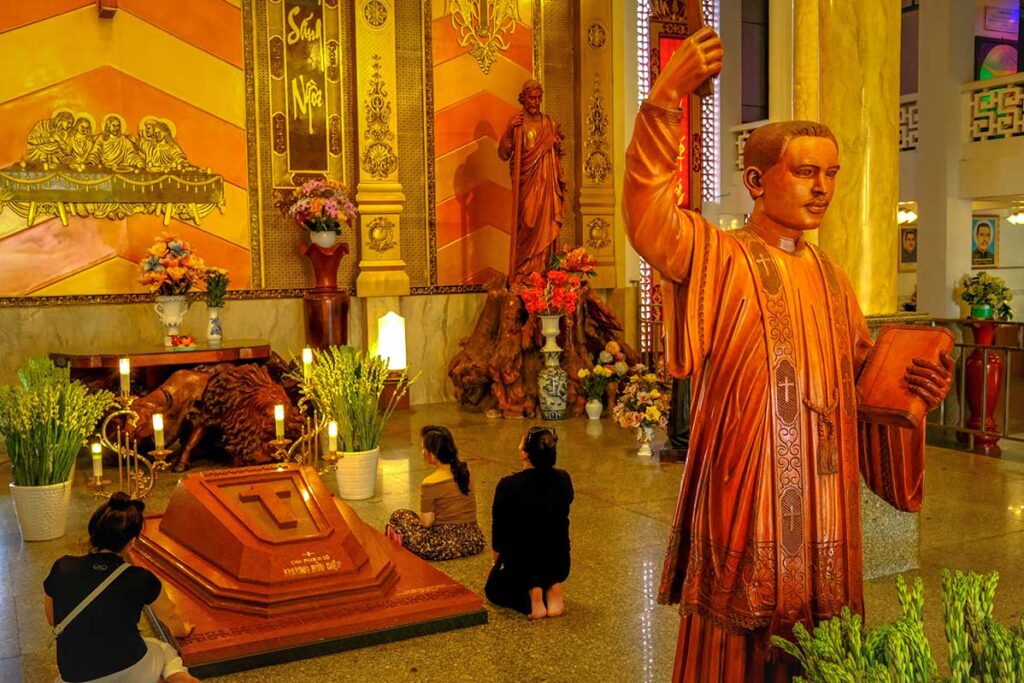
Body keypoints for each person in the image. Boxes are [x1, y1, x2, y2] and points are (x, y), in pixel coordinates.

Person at [623, 27, 953, 681]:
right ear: (755, 179)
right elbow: (649, 214)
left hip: (825, 493)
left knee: (820, 634)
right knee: (736, 637)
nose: (822, 187)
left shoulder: (831, 275)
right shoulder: (721, 253)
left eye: (830, 173)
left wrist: (911, 388)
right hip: (748, 487)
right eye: (805, 172)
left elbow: (864, 376)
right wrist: (664, 99)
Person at [44, 492, 198, 683]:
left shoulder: (62, 567)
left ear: (93, 532)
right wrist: (184, 630)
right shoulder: (141, 578)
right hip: (128, 667)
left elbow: (53, 619)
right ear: (132, 541)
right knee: (163, 650)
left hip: (74, 676)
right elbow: (171, 620)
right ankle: (179, 678)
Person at [485, 426, 574, 619]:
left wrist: (498, 563)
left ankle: (532, 598)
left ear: (525, 453)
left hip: (523, 565)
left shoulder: (508, 485)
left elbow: (499, 532)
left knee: (493, 589)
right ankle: (553, 587)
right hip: (559, 562)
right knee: (543, 548)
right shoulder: (564, 479)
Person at [498, 79, 566, 277]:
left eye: (539, 98)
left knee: (546, 224)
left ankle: (543, 272)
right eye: (532, 98)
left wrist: (558, 148)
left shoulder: (549, 123)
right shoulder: (517, 124)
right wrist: (509, 130)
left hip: (547, 183)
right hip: (526, 182)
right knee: (527, 222)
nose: (536, 102)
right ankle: (523, 271)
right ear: (523, 98)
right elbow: (503, 154)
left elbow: (557, 153)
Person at [386, 425, 485, 561]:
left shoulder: (430, 482)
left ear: (433, 454)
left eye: (424, 448)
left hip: (443, 545)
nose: (422, 452)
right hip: (473, 540)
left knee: (399, 515)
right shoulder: (466, 471)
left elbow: (427, 523)